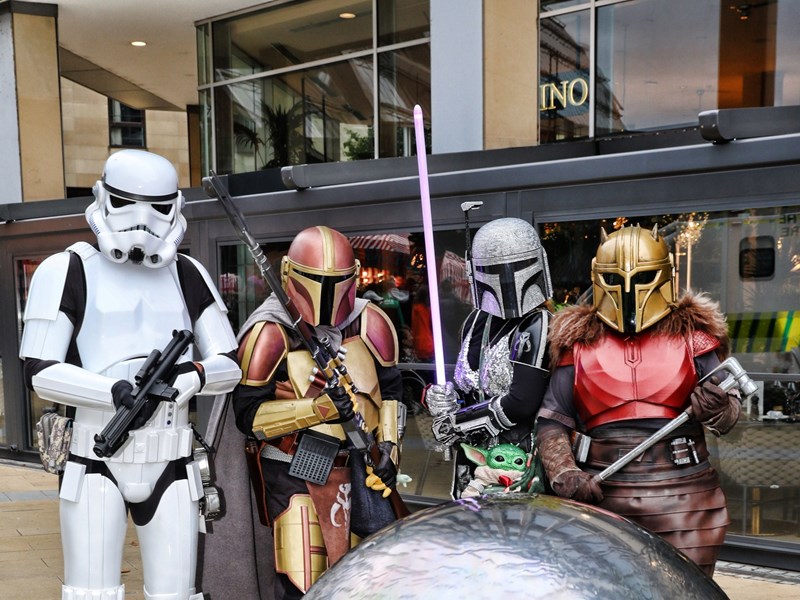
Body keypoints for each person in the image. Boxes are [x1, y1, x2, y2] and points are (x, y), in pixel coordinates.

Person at [18, 149, 242, 600]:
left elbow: (230, 364)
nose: (142, 220)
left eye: (157, 207)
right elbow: (39, 370)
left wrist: (193, 376)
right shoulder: (68, 269)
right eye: (126, 202)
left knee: (177, 594)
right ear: (103, 197)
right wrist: (112, 391)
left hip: (172, 460)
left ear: (175, 207)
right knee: (91, 593)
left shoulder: (187, 273)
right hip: (95, 457)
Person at [536, 224, 741, 577]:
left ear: (663, 276)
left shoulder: (694, 338)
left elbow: (730, 418)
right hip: (603, 494)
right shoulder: (578, 343)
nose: (629, 290)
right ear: (600, 280)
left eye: (643, 276)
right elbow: (552, 421)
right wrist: (565, 472)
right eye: (615, 280)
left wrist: (718, 406)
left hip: (685, 500)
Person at [231, 225, 405, 599]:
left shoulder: (370, 321)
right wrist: (318, 408)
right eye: (314, 279)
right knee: (304, 580)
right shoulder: (271, 330)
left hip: (360, 464)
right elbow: (247, 416)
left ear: (354, 276)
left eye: (337, 281)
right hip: (296, 465)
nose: (326, 293)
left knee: (365, 579)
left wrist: (389, 448)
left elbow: (391, 392)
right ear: (290, 274)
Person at [426, 217, 553, 498]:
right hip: (473, 459)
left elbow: (521, 402)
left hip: (520, 460)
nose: (507, 279)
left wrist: (456, 423)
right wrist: (442, 398)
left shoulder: (539, 323)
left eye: (515, 267)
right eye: (495, 270)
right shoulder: (475, 321)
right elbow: (465, 386)